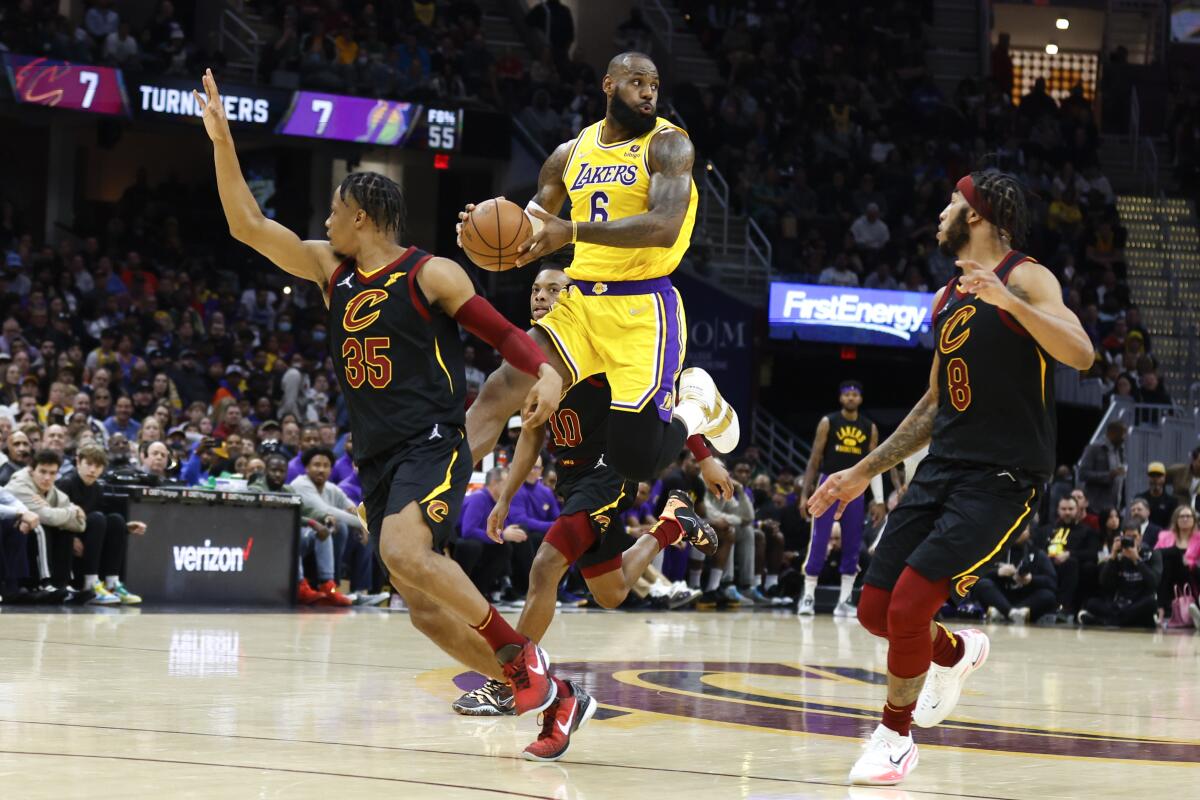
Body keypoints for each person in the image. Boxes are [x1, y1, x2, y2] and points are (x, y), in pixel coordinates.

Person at [195, 68, 566, 741]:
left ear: (359, 215)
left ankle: (519, 661)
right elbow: (247, 226)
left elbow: (505, 334)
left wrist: (543, 372)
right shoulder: (328, 270)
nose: (325, 221)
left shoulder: (431, 273)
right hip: (375, 457)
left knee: (402, 545)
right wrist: (222, 141)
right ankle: (554, 692)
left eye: (333, 211)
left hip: (431, 440)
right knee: (423, 609)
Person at [808, 169, 1093, 785]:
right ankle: (956, 652)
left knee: (911, 606)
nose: (941, 212)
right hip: (943, 470)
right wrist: (861, 471)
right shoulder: (946, 299)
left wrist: (1009, 302)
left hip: (1003, 476)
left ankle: (894, 739)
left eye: (952, 202)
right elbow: (936, 404)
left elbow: (1081, 352)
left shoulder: (1025, 275)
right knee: (875, 611)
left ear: (979, 216)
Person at [463, 50, 739, 586]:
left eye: (654, 84)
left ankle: (697, 404)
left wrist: (571, 232)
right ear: (608, 84)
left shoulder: (668, 144)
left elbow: (662, 224)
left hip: (642, 308)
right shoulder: (569, 154)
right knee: (505, 383)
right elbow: (530, 227)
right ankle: (431, 490)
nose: (648, 93)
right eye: (637, 82)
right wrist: (482, 230)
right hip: (581, 305)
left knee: (636, 461)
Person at [449, 269, 725, 761]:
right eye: (535, 290)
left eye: (553, 289)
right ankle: (671, 525)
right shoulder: (535, 359)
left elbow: (654, 405)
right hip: (576, 477)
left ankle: (513, 680)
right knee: (611, 591)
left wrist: (703, 456)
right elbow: (531, 435)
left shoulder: (599, 343)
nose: (540, 296)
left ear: (575, 299)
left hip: (609, 470)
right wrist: (506, 497)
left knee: (544, 568)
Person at [798, 380, 897, 617]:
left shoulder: (869, 427)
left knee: (852, 544)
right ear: (841, 398)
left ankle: (844, 600)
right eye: (847, 394)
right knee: (820, 541)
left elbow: (873, 466)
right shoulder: (828, 422)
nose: (851, 398)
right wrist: (805, 493)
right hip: (829, 484)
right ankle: (808, 597)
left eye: (855, 394)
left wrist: (880, 500)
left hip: (855, 489)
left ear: (860, 399)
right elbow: (814, 458)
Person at [54, 443, 144, 604]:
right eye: (88, 464)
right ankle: (90, 584)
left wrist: (125, 527)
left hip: (88, 535)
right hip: (65, 537)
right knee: (97, 518)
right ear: (78, 462)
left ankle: (112, 583)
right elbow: (54, 516)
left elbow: (102, 523)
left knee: (116, 520)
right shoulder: (65, 483)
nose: (92, 470)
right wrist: (72, 537)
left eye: (97, 466)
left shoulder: (97, 488)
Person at [1079, 520, 1161, 628]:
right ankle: (1122, 621)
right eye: (1128, 537)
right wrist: (1113, 556)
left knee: (1151, 603)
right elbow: (1104, 583)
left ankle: (1104, 621)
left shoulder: (1152, 554)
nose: (1132, 540)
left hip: (1140, 602)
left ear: (1140, 537)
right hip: (1120, 604)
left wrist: (1137, 560)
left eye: (1134, 537)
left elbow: (1154, 582)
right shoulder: (1117, 556)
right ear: (1122, 537)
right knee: (1091, 603)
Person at [971, 524, 1057, 624]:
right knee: (983, 585)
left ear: (1029, 532)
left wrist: (1031, 579)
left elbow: (1052, 582)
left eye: (1023, 529)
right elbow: (974, 577)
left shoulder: (1038, 554)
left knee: (1048, 596)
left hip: (1026, 600)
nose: (1018, 532)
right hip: (999, 597)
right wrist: (997, 572)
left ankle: (1004, 613)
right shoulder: (994, 551)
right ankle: (1011, 612)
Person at [1036, 495, 1100, 621]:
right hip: (1048, 564)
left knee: (1071, 563)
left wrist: (1069, 553)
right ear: (1058, 510)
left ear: (1078, 510)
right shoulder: (1047, 530)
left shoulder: (1087, 531)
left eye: (1071, 509)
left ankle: (1064, 608)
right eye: (1064, 509)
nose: (1067, 512)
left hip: (1072, 566)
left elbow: (1093, 553)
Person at [1079, 421, 1126, 512]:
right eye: (1122, 434)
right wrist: (1108, 475)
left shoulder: (1119, 450)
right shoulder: (1094, 448)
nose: (1124, 438)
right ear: (1112, 433)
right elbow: (1082, 474)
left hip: (1113, 508)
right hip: (1095, 508)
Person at [1137, 461, 1180, 528]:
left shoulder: (1172, 502)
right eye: (1152, 476)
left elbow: (1173, 524)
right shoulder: (1140, 499)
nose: (1155, 479)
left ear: (1164, 477)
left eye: (1159, 476)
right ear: (1148, 478)